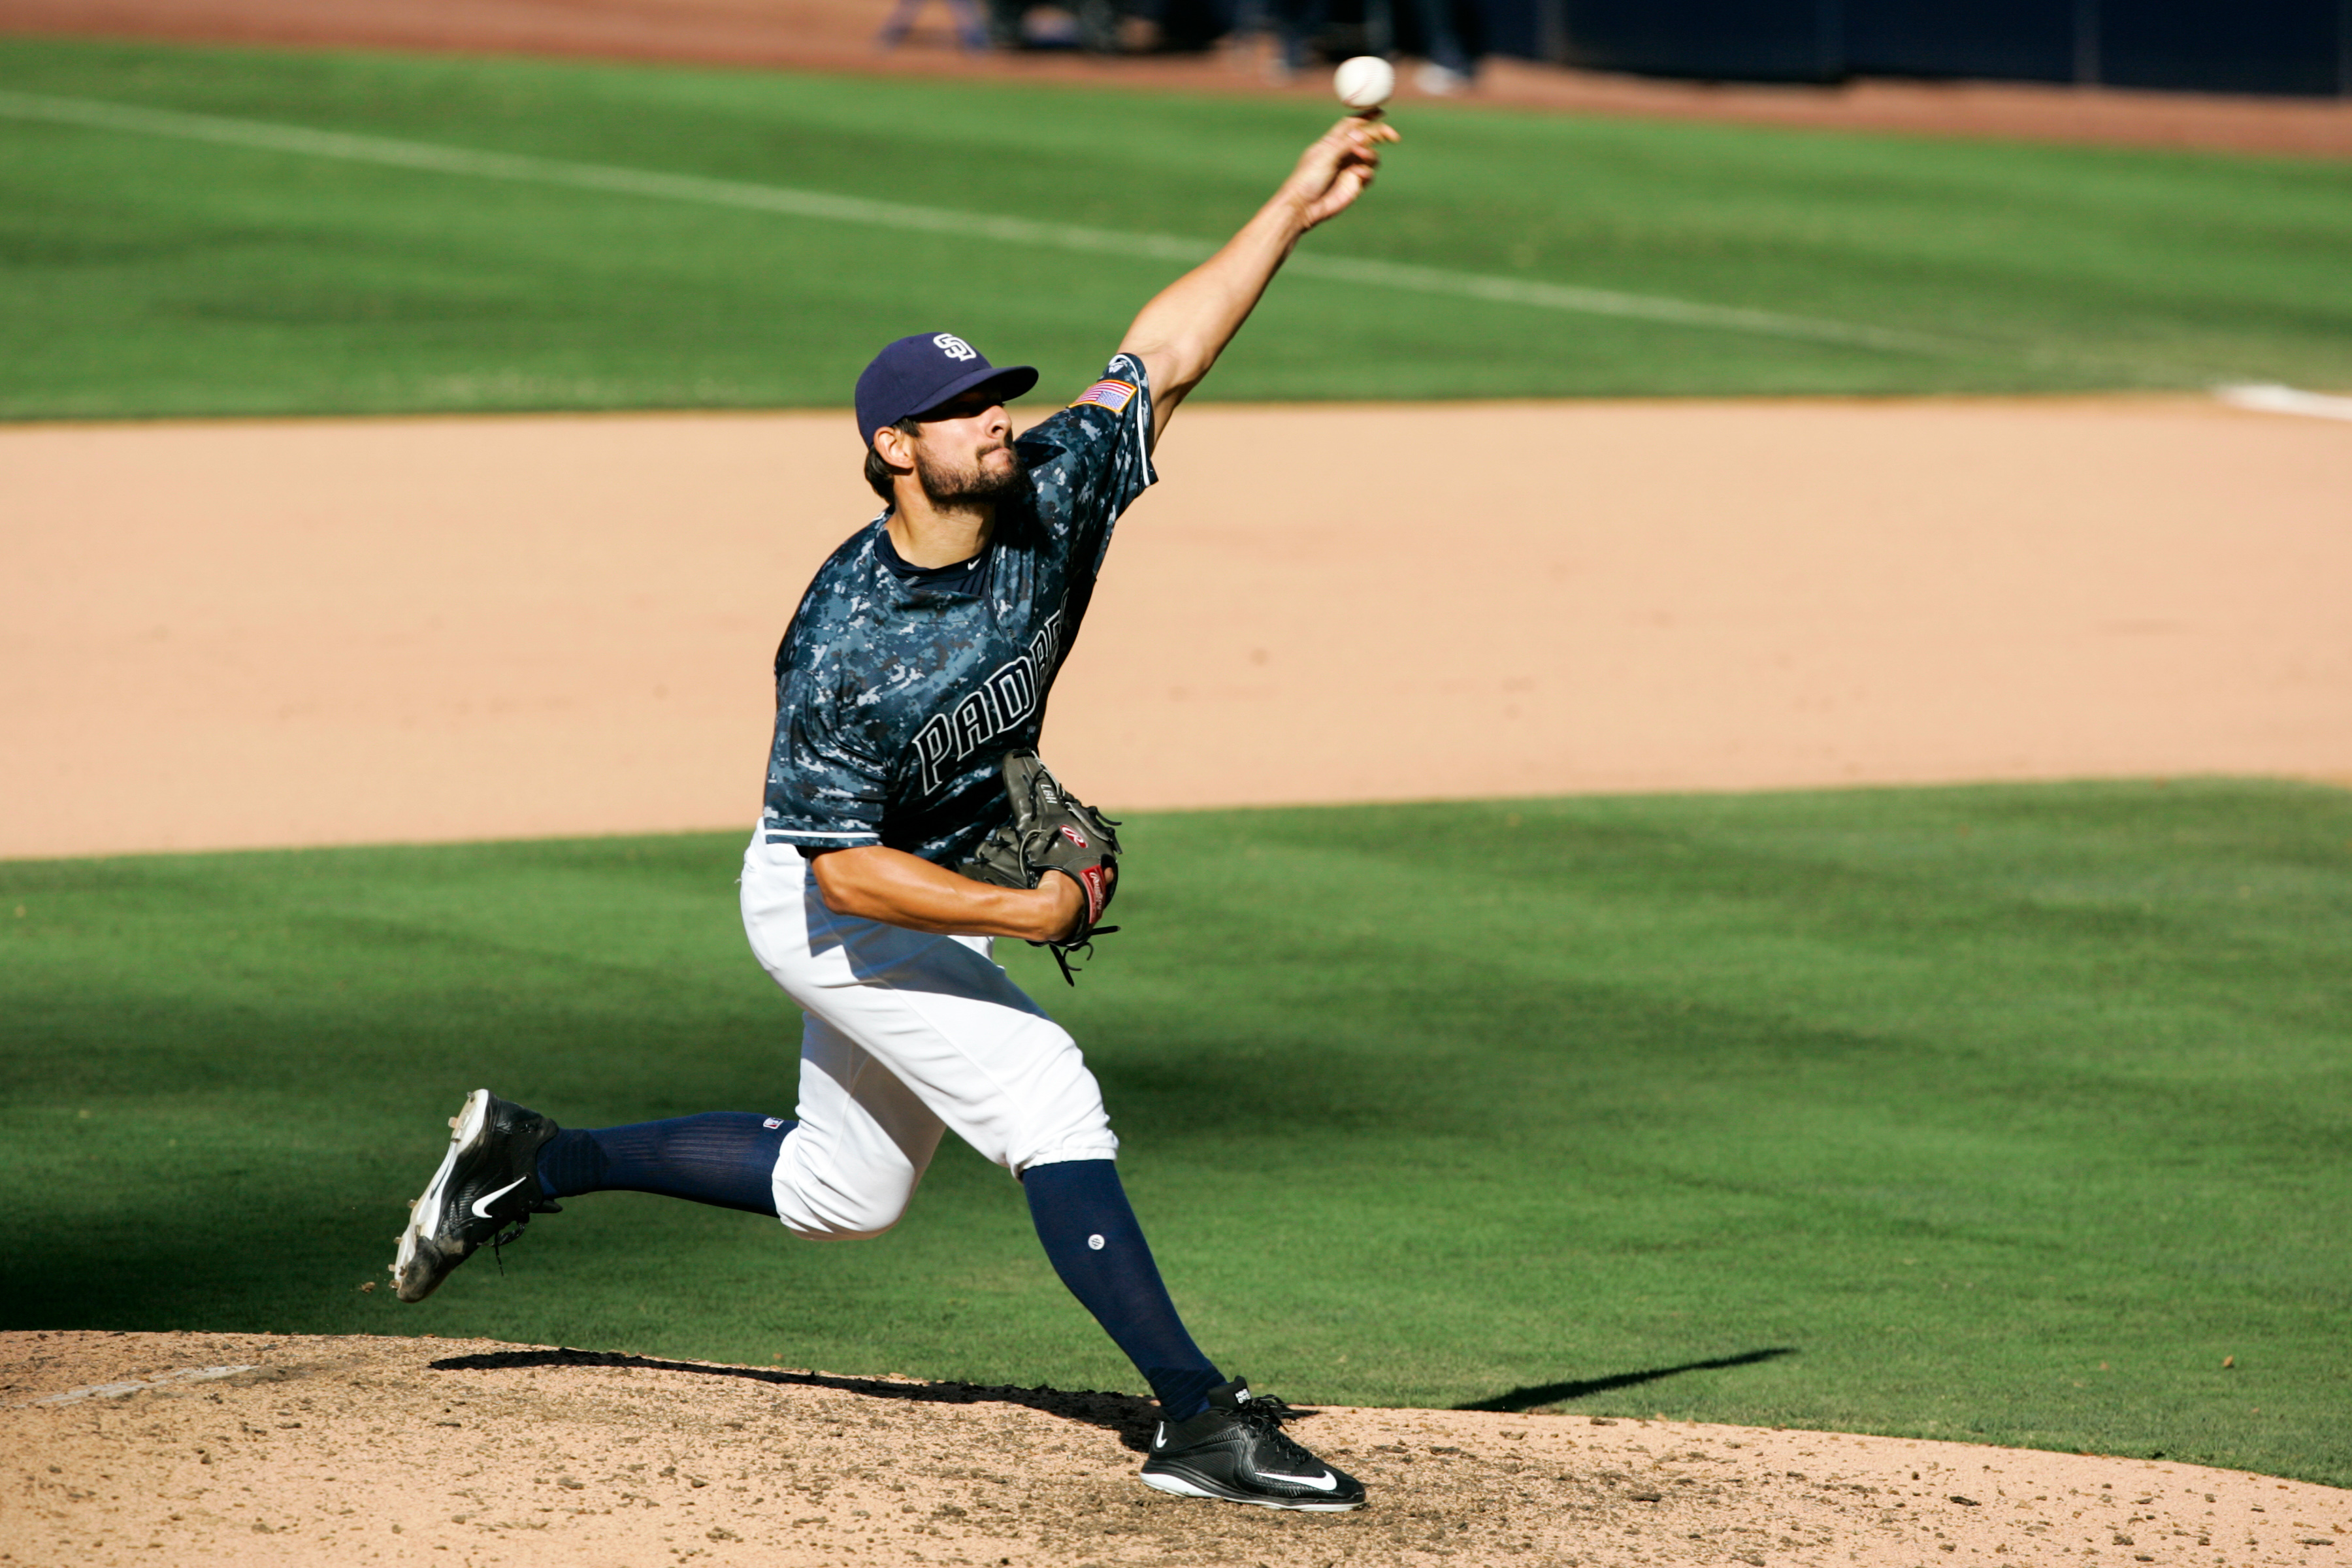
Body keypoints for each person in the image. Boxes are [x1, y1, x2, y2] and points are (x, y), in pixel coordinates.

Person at [391, 110, 1399, 1512]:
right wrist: (1031, 910)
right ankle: (1195, 1421)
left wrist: (1292, 204)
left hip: (922, 890)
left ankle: (528, 1162)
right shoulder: (845, 638)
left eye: (996, 399)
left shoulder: (1055, 489)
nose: (997, 418)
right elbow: (848, 879)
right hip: (827, 900)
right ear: (892, 449)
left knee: (839, 1197)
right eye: (964, 410)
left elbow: (1162, 355)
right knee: (1048, 1096)